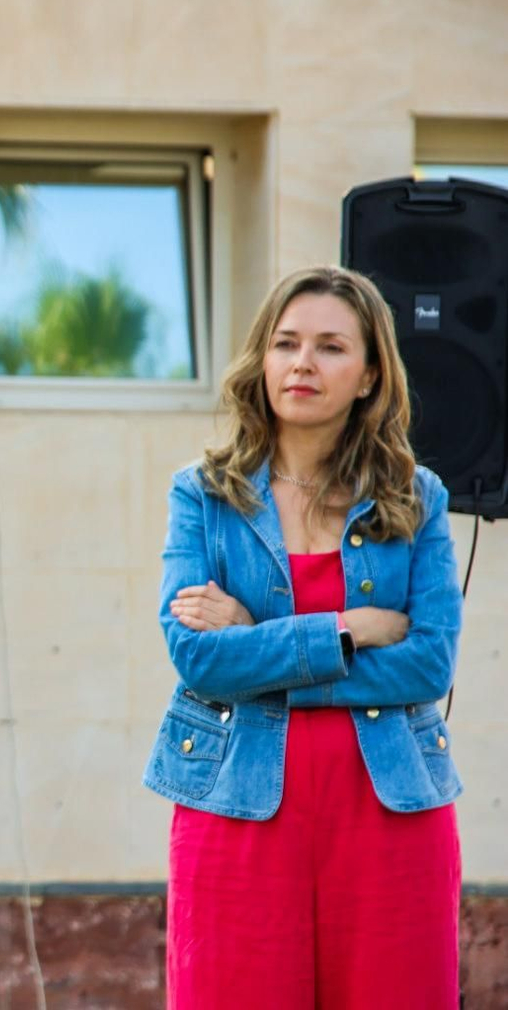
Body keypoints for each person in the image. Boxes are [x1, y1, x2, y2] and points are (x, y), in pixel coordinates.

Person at [143, 266, 464, 1008]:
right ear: (262, 360)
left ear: (368, 375)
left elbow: (427, 663)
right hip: (237, 813)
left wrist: (258, 636)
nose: (303, 364)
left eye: (329, 347)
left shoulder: (418, 497)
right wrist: (345, 630)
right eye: (286, 343)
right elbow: (197, 655)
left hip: (389, 819)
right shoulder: (203, 493)